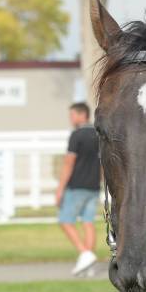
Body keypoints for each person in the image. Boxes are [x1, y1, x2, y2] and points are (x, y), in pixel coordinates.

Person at [56, 102, 101, 276]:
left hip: (77, 185)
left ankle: (84, 253)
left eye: (72, 115)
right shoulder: (98, 134)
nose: (71, 118)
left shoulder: (77, 135)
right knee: (88, 222)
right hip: (94, 185)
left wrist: (60, 188)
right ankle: (88, 265)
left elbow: (69, 163)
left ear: (82, 115)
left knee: (65, 221)